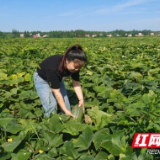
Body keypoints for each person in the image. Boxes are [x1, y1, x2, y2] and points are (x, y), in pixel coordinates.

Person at [33, 44, 87, 118]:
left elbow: (76, 84)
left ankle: (67, 124)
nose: (77, 69)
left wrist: (81, 99)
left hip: (57, 79)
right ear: (66, 60)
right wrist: (65, 111)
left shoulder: (75, 67)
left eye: (79, 67)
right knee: (51, 106)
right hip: (42, 80)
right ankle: (50, 124)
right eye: (76, 67)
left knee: (66, 106)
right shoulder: (53, 68)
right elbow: (56, 92)